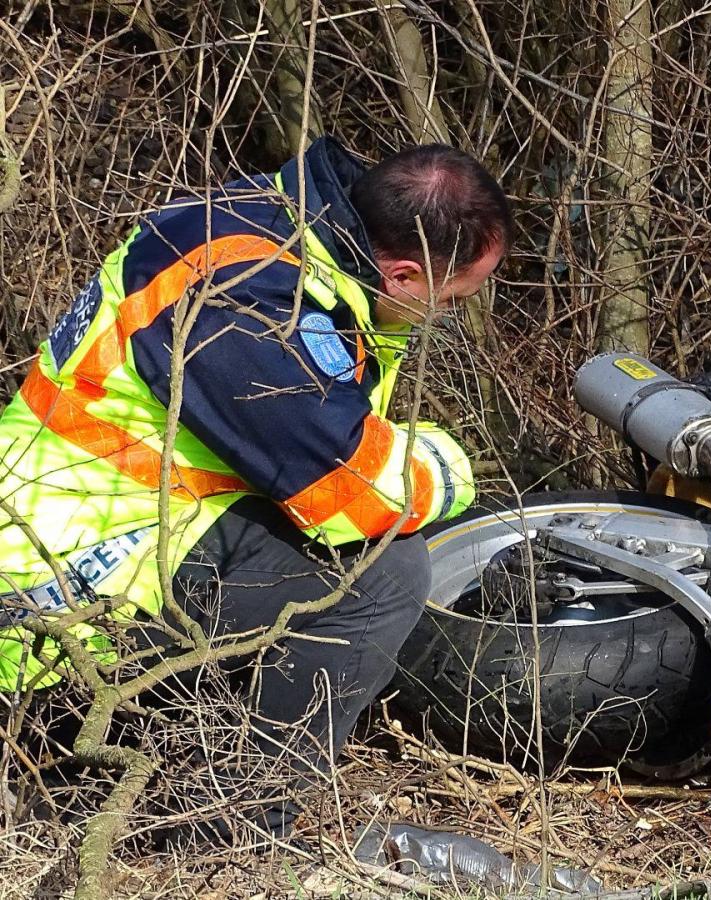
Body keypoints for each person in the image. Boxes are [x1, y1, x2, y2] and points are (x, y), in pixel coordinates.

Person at [0, 136, 509, 834]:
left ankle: (164, 755)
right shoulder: (248, 308)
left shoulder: (274, 222)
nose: (445, 315)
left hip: (90, 522)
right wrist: (449, 468)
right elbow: (350, 493)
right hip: (53, 584)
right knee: (381, 574)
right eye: (449, 299)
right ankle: (235, 828)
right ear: (401, 274)